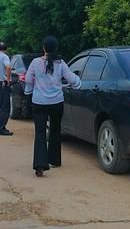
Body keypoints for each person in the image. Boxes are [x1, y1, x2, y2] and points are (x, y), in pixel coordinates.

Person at [24, 36, 81, 177]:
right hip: (56, 102)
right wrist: (78, 83)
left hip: (39, 103)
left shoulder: (35, 62)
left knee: (40, 133)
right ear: (55, 48)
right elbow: (72, 79)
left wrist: (28, 91)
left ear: (43, 48)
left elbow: (28, 79)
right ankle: (54, 160)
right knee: (55, 130)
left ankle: (39, 165)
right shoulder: (60, 63)